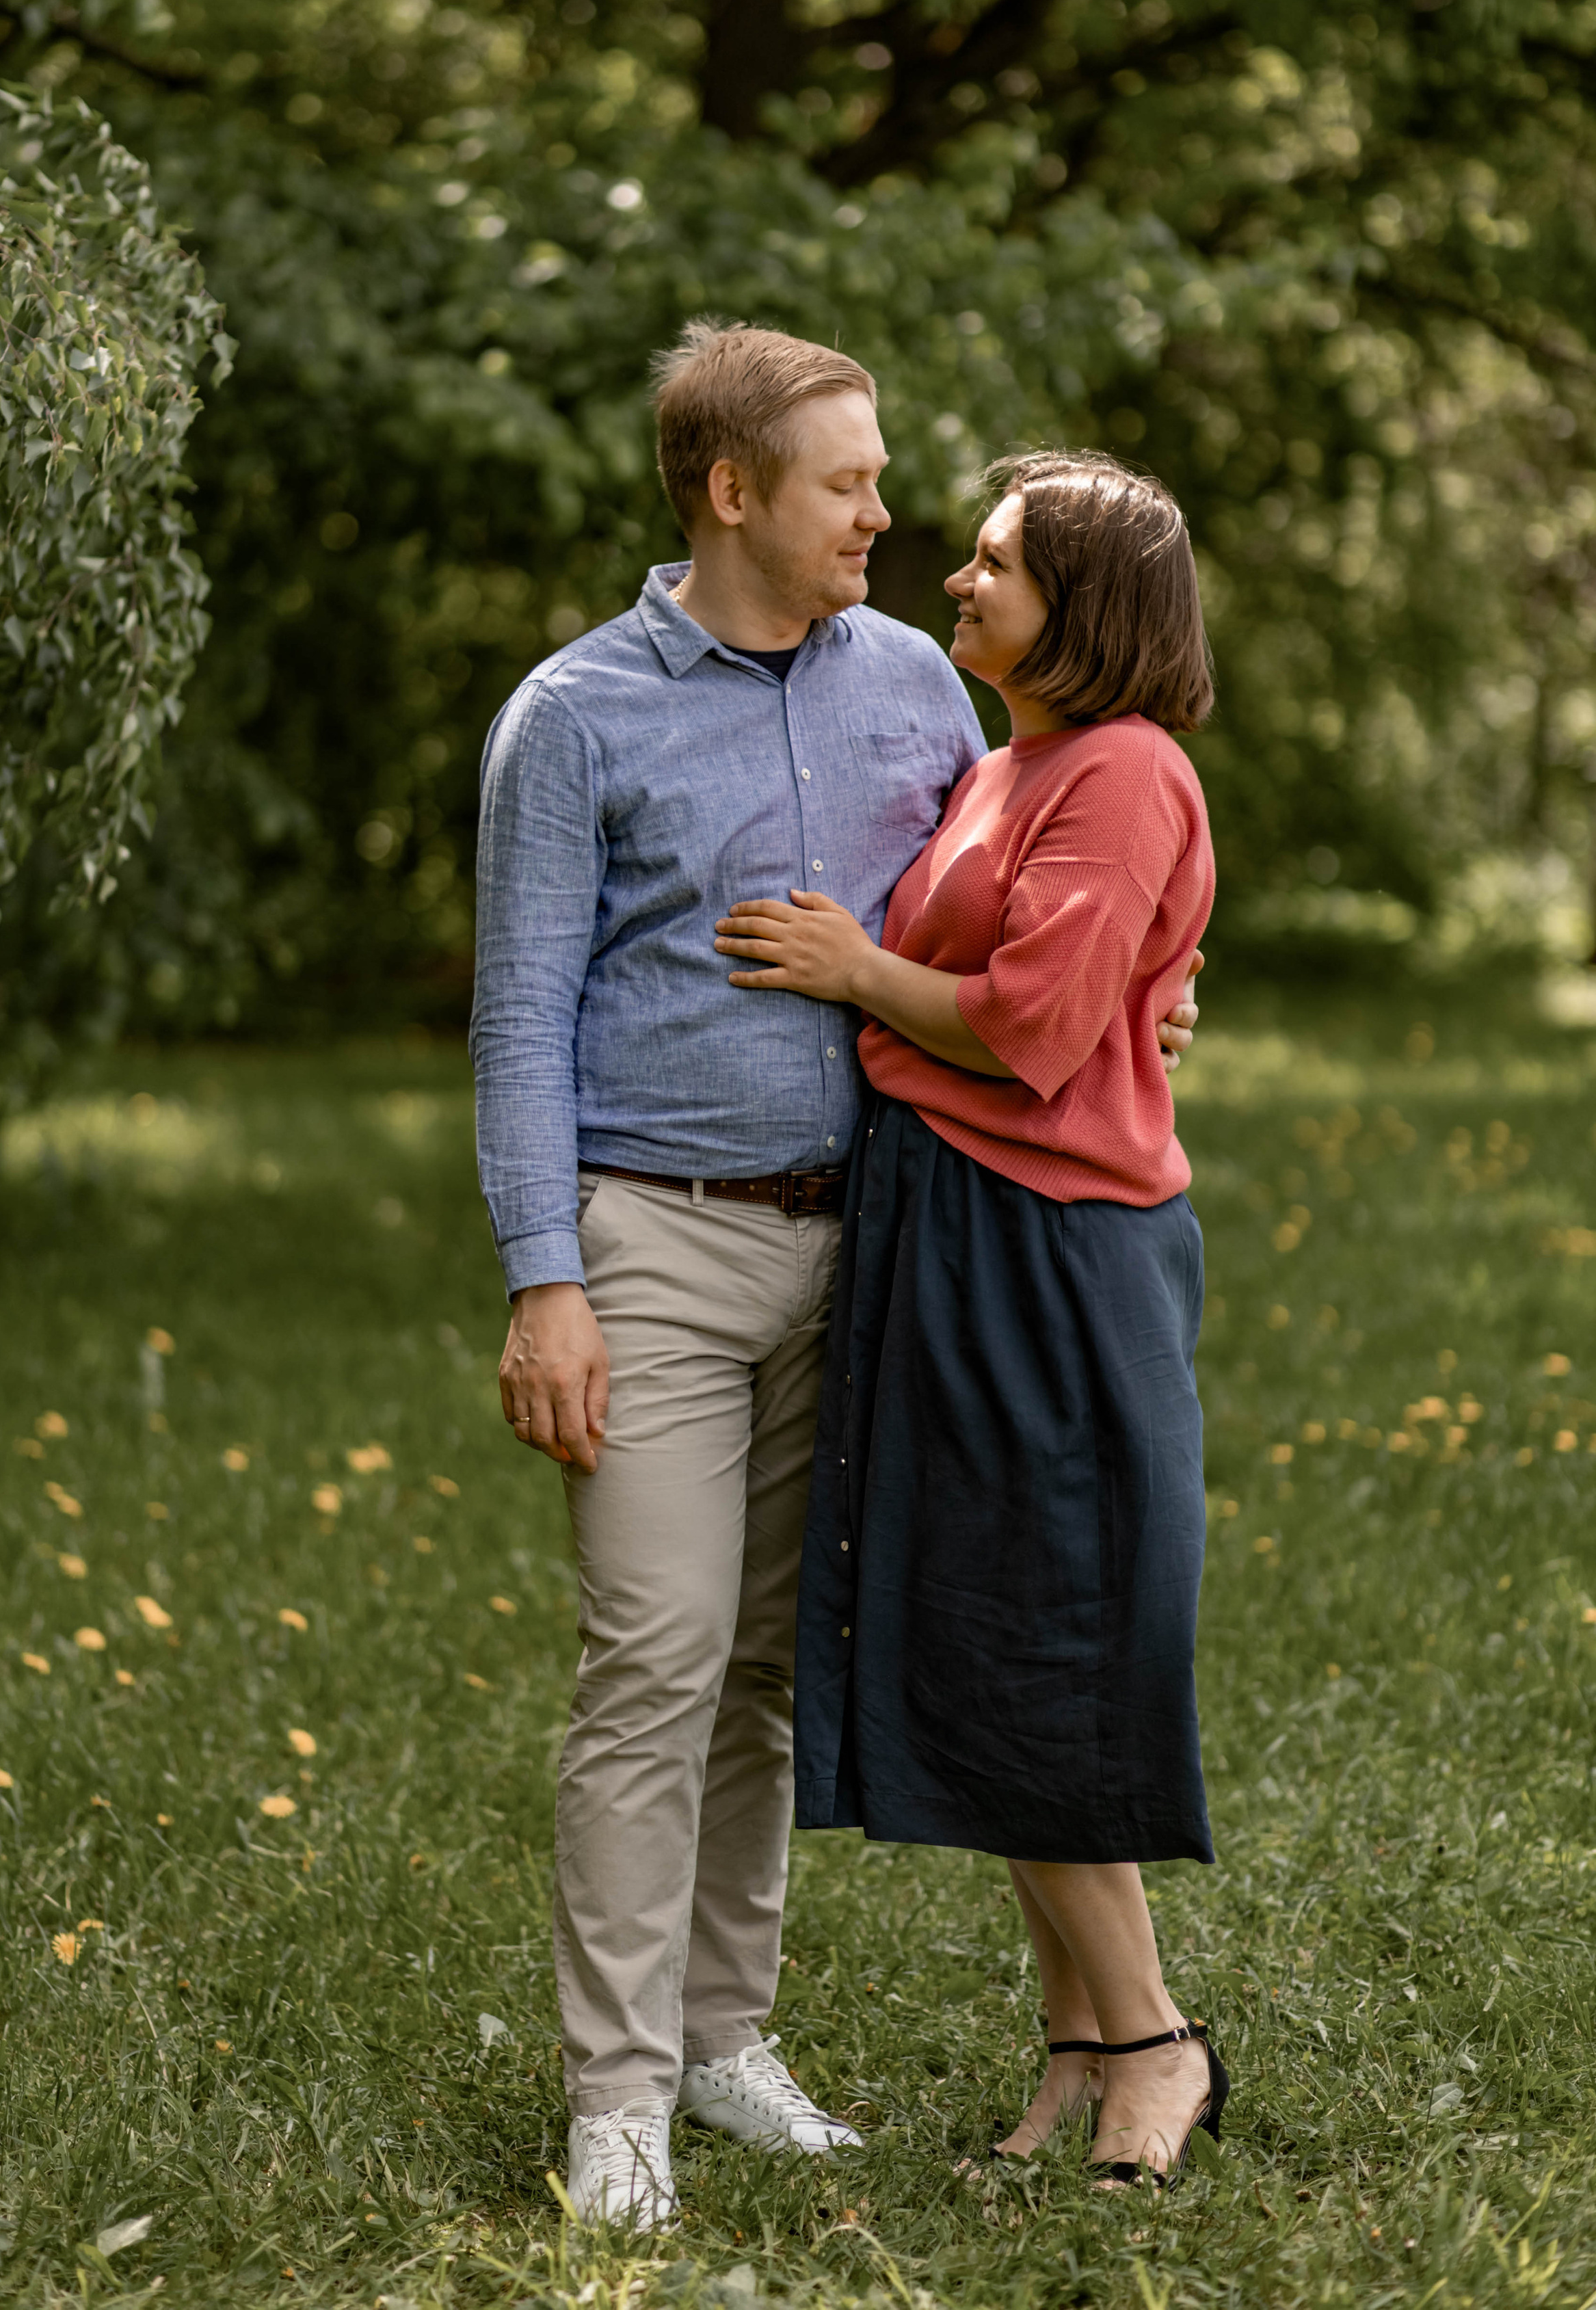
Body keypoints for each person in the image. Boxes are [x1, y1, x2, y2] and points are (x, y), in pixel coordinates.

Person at [470, 330, 1201, 2229]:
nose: (886, 513)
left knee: (770, 1673)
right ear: (733, 494)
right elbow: (518, 1016)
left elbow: (1037, 892)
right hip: (657, 1240)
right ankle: (617, 2094)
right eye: (848, 484)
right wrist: (547, 1280)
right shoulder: (573, 715)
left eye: (887, 481)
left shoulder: (924, 690)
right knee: (655, 1657)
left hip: (884, 1242)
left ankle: (726, 2040)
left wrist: (1152, 985)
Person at [713, 449, 1226, 2190]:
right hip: (948, 1219)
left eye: (996, 561)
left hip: (1052, 1249)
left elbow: (1024, 1025)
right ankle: (1077, 2051)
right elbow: (1092, 985)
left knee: (1050, 1646)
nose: (954, 581)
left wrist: (850, 968)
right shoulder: (1015, 762)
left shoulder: (1126, 770)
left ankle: (1156, 2043)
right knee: (992, 1641)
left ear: (1085, 603)